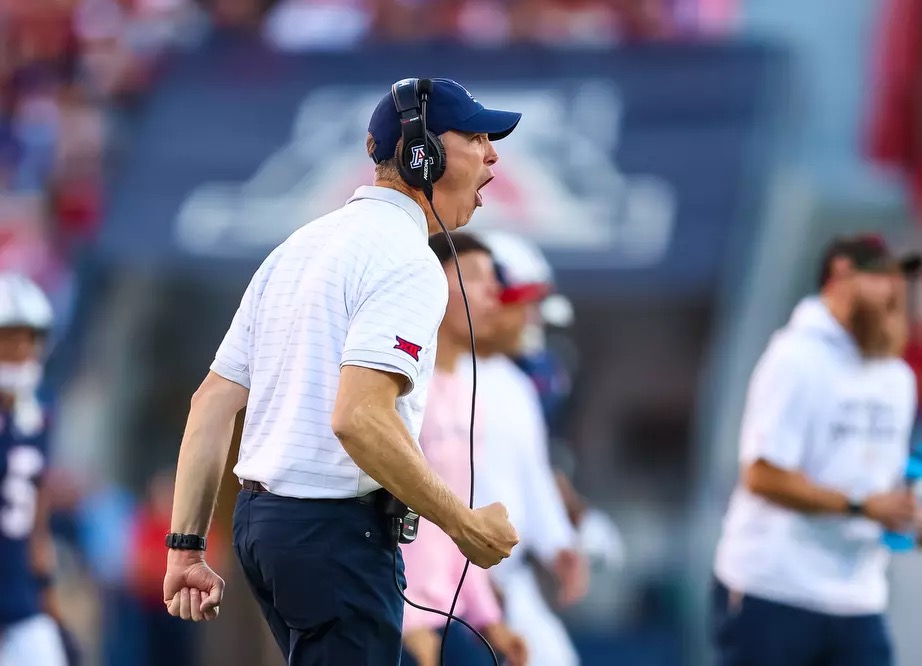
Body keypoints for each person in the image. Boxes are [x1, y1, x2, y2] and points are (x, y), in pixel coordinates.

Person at [162, 77, 522, 666]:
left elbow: (210, 405)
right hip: (333, 531)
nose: (493, 155)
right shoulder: (408, 259)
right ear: (421, 152)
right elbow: (358, 418)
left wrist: (185, 548)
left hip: (266, 528)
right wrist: (463, 525)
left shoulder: (297, 246)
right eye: (477, 136)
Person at [711, 234, 922, 666]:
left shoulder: (897, 379)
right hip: (775, 589)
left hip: (858, 595)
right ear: (841, 275)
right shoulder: (795, 359)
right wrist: (861, 506)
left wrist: (910, 515)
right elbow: (763, 475)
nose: (896, 292)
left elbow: (888, 482)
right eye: (882, 278)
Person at [401, 232, 528, 666]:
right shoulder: (401, 388)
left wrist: (489, 620)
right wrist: (407, 623)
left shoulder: (468, 391)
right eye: (474, 276)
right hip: (402, 618)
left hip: (446, 616)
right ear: (429, 283)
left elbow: (459, 523)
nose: (494, 290)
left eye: (495, 278)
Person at [466, 230, 589, 666]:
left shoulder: (513, 383)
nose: (531, 318)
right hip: (450, 586)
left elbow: (530, 473)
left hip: (506, 581)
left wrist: (560, 544)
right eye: (523, 302)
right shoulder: (431, 378)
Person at [0, 273, 69, 666]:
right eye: (9, 339)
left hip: (20, 594)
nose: (22, 349)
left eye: (29, 338)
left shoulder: (36, 418)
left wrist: (46, 590)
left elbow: (35, 515)